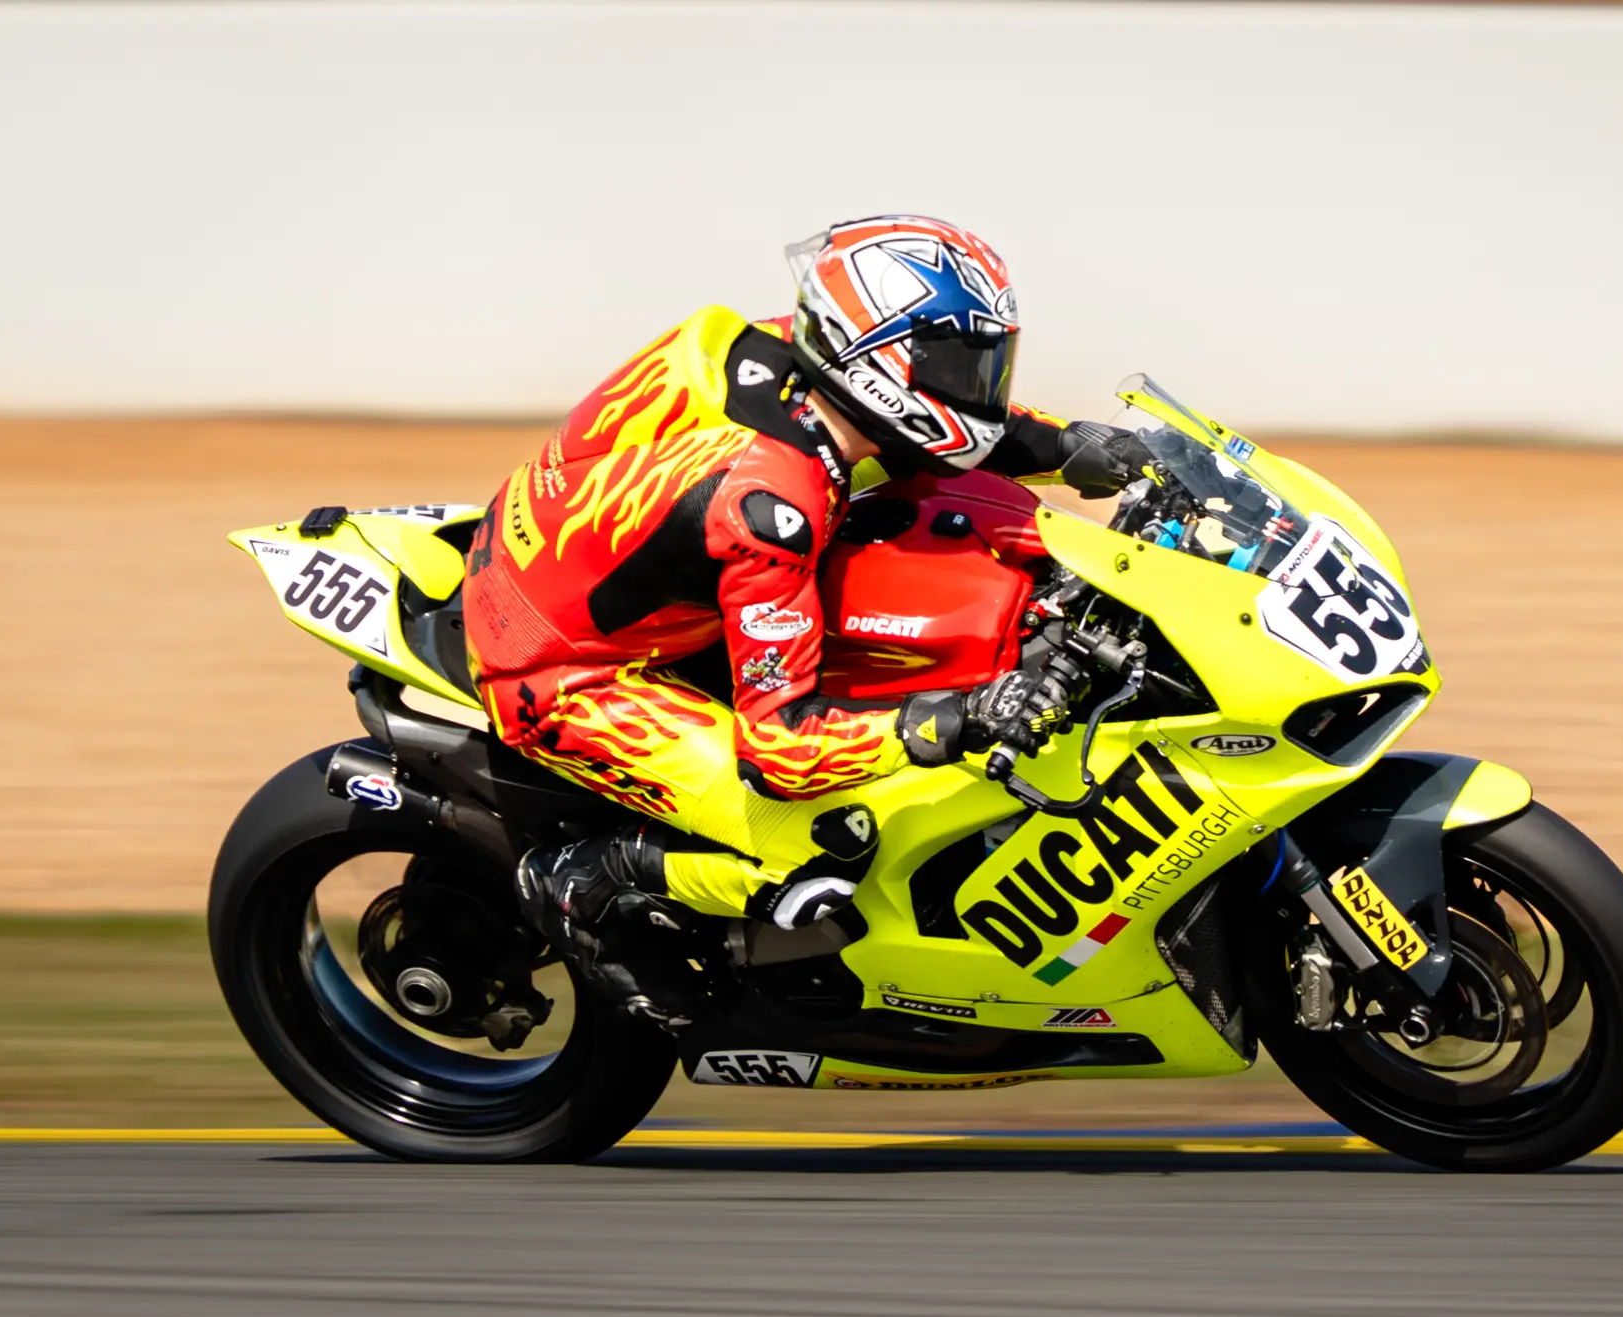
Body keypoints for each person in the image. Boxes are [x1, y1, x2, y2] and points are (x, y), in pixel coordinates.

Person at [461, 215, 1147, 1018]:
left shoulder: (791, 353)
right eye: (960, 366)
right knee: (831, 838)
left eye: (987, 363)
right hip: (565, 670)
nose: (979, 385)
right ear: (877, 361)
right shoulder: (772, 506)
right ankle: (591, 876)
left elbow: (945, 429)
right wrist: (951, 719)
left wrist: (1077, 447)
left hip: (563, 552)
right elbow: (780, 748)